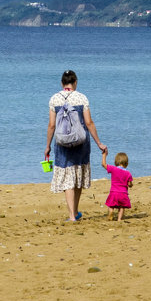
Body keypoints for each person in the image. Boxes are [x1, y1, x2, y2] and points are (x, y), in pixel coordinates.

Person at [45, 70, 106, 222]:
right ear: (75, 82)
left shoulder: (54, 99)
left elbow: (52, 125)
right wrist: (99, 142)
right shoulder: (82, 97)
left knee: (67, 179)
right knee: (77, 175)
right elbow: (89, 122)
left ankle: (72, 215)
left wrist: (47, 146)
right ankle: (76, 211)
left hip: (62, 144)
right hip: (81, 142)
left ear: (62, 83)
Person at [102, 150, 133, 221]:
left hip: (114, 192)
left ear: (116, 162)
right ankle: (119, 219)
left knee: (111, 205)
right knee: (122, 207)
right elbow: (129, 184)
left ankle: (111, 212)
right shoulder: (128, 173)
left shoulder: (113, 169)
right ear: (127, 163)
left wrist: (104, 155)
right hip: (123, 193)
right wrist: (131, 184)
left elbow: (104, 164)